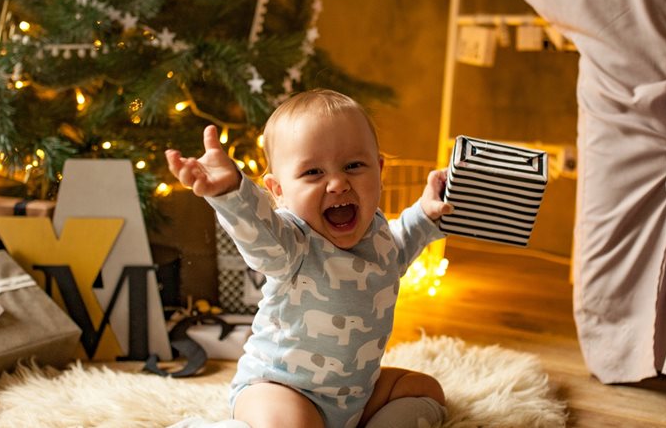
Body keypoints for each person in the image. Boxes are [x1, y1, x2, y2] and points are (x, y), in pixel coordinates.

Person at [166, 89, 452, 428]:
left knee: (424, 389)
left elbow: (401, 244)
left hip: (355, 394)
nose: (338, 183)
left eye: (354, 166)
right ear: (278, 191)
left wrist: (426, 214)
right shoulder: (290, 242)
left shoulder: (378, 237)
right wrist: (230, 192)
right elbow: (257, 234)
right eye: (313, 172)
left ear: (379, 170)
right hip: (280, 389)